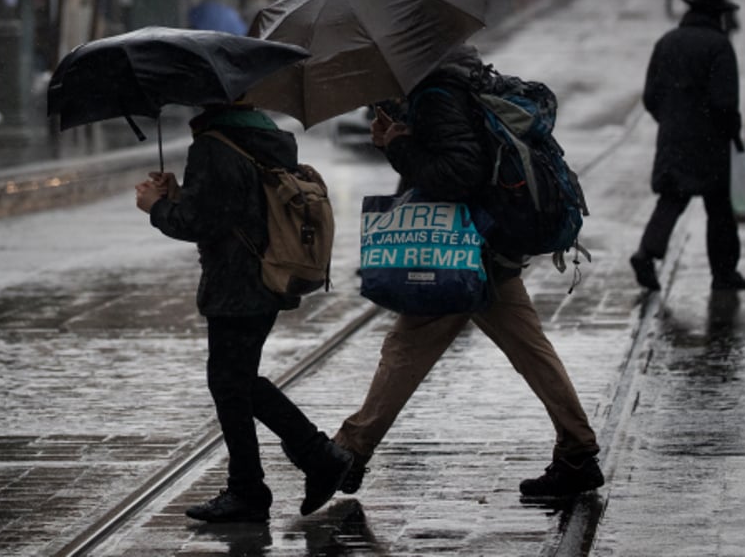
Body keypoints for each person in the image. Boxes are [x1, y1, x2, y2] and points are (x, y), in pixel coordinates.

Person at [332, 45, 604, 501]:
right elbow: (454, 157)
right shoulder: (455, 81)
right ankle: (577, 451)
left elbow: (457, 172)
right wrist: (400, 134)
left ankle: (348, 452)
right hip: (489, 243)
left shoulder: (437, 93)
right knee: (529, 349)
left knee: (408, 345)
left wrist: (398, 145)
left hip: (467, 248)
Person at [135, 102, 352, 523]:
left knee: (231, 381)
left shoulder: (214, 145)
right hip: (264, 276)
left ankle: (294, 467)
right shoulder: (259, 134)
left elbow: (201, 222)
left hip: (237, 283)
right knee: (234, 381)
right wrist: (180, 193)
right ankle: (271, 475)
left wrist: (156, 207)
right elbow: (236, 207)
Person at [630, 0, 745, 294]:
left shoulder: (667, 42)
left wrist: (671, 119)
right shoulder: (719, 46)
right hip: (711, 142)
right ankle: (724, 273)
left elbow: (650, 95)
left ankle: (646, 253)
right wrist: (733, 132)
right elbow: (724, 101)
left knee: (672, 198)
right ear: (718, 14)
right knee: (720, 209)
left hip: (673, 137)